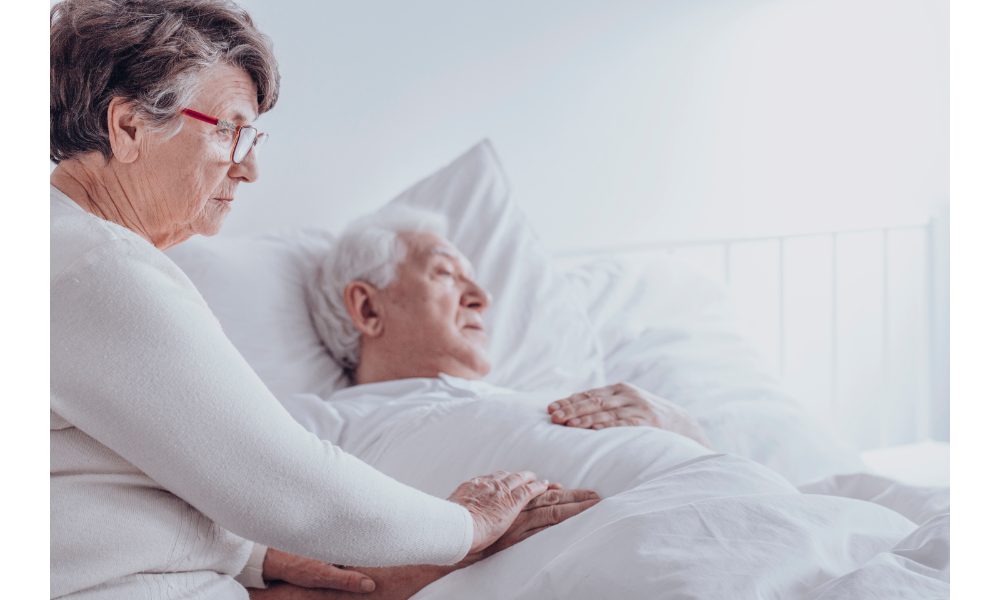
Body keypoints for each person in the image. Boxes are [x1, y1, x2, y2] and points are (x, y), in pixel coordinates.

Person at [49, 2, 595, 599]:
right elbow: (279, 484)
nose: (250, 168)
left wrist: (255, 559)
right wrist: (466, 525)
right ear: (128, 128)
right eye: (229, 131)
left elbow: (87, 481)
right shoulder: (97, 267)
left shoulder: (64, 251)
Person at [307, 207, 715, 449]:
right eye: (445, 273)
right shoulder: (322, 429)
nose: (482, 298)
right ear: (367, 307)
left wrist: (685, 430)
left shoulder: (534, 402)